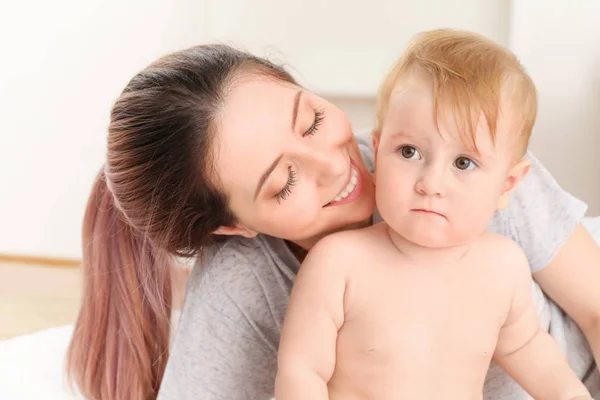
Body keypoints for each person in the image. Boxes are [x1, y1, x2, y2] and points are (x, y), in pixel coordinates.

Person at [65, 41, 600, 400]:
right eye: (284, 183)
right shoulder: (248, 284)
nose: (334, 165)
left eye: (313, 119)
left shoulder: (466, 162)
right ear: (233, 226)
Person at [274, 29, 592, 400]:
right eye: (408, 152)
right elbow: (302, 369)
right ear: (377, 152)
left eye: (463, 162)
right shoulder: (339, 262)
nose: (431, 183)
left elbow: (528, 349)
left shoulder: (503, 266)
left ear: (507, 185)